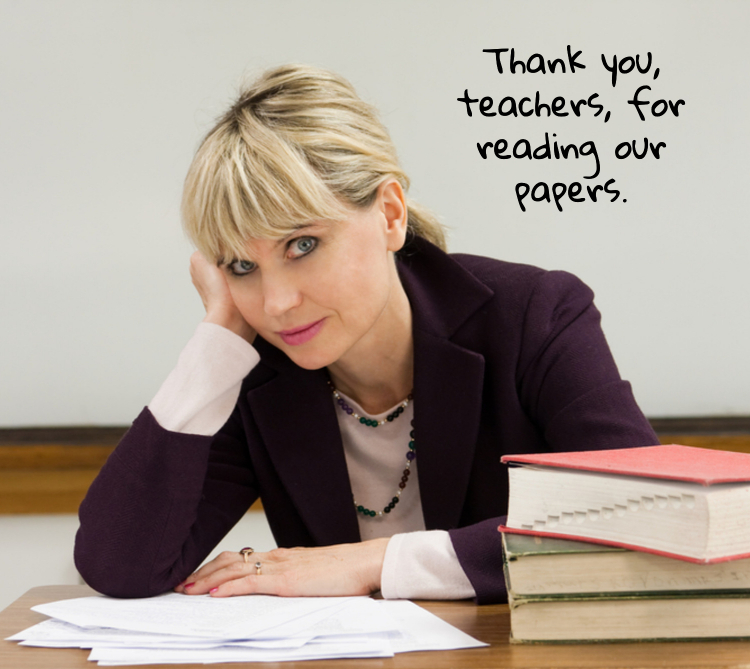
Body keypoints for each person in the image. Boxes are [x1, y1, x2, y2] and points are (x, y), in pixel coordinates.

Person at [74, 64, 658, 604]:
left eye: (302, 245)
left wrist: (377, 562)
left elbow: (642, 511)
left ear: (389, 214)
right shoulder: (258, 373)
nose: (276, 304)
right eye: (241, 267)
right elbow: (119, 566)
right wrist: (218, 337)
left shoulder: (533, 315)